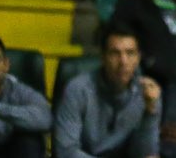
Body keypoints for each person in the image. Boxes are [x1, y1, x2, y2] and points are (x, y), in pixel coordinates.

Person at [56, 25, 163, 158]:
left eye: (130, 53)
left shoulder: (147, 92)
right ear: (103, 57)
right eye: (115, 53)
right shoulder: (78, 89)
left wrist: (150, 113)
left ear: (138, 58)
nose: (123, 61)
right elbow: (66, 152)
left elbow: (146, 153)